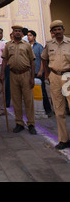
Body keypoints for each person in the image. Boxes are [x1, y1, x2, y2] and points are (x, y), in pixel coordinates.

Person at [0, 25, 37, 134]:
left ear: (22, 33)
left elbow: (32, 61)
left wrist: (32, 77)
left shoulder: (27, 45)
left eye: (19, 31)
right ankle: (19, 123)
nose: (17, 33)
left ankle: (31, 124)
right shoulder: (8, 45)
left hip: (25, 73)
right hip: (13, 74)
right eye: (15, 31)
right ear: (12, 32)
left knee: (28, 100)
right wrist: (2, 73)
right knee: (16, 100)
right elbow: (5, 59)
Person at [41, 20, 70, 149]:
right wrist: (47, 73)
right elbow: (43, 57)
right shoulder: (49, 44)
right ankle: (64, 139)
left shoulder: (69, 43)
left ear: (63, 30)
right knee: (59, 110)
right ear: (51, 32)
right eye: (54, 30)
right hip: (54, 77)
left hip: (67, 76)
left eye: (59, 29)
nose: (57, 32)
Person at [27, 29, 52, 117]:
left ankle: (48, 109)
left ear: (34, 37)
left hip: (38, 71)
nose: (28, 37)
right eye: (27, 35)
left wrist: (42, 70)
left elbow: (43, 59)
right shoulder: (26, 46)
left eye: (30, 35)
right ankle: (34, 110)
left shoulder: (39, 46)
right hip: (29, 73)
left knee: (43, 91)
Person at [0, 27, 10, 107]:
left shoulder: (6, 43)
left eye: (0, 33)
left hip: (5, 65)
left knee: (6, 84)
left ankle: (6, 101)